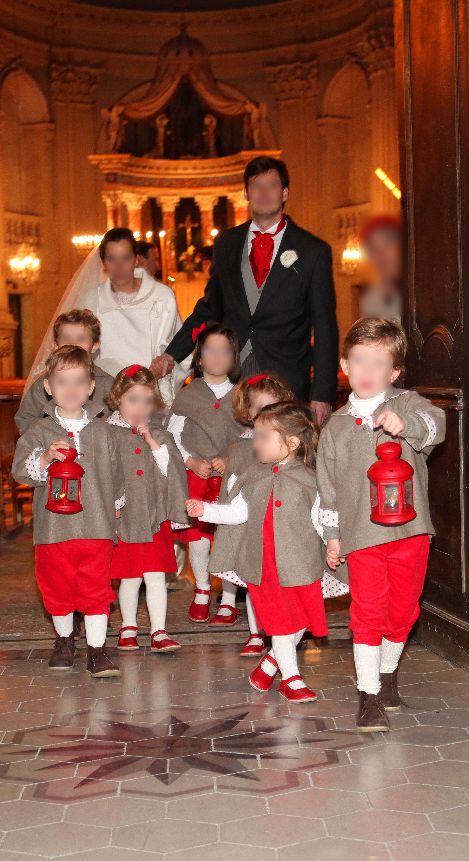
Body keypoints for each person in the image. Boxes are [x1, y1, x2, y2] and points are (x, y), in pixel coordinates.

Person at [316, 317, 446, 731]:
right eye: (359, 361)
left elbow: (436, 426)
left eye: (378, 364)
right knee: (368, 612)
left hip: (411, 533)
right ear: (344, 365)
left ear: (393, 372)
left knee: (404, 610)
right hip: (362, 537)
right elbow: (329, 490)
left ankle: (388, 674)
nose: (367, 372)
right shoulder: (335, 428)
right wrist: (333, 537)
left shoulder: (408, 403)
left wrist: (407, 425)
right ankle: (368, 693)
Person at [152, 155, 339, 427]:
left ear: (285, 192)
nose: (263, 193)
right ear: (245, 192)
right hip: (231, 373)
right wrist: (171, 354)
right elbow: (208, 308)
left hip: (286, 375)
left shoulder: (312, 250)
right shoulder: (227, 243)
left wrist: (322, 394)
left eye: (272, 185)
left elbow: (325, 328)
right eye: (256, 185)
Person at [188, 401, 332, 703]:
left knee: (302, 619)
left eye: (264, 436)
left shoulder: (311, 479)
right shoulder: (254, 475)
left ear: (292, 442)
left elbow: (322, 518)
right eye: (256, 434)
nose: (255, 442)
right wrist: (206, 510)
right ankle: (291, 679)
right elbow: (238, 512)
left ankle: (268, 665)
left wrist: (334, 543)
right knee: (282, 622)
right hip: (264, 564)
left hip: (301, 564)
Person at [12, 346, 124, 678]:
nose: (71, 390)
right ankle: (63, 639)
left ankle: (97, 650)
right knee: (57, 587)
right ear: (48, 386)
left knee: (96, 588)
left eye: (79, 382)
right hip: (53, 530)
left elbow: (116, 475)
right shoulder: (38, 432)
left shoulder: (105, 431)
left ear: (91, 387)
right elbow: (21, 471)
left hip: (96, 526)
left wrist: (117, 507)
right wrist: (44, 459)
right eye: (63, 382)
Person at [25, 227, 189, 408]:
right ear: (103, 262)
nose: (119, 267)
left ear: (136, 259)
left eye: (125, 258)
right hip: (102, 397)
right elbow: (73, 350)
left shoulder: (161, 296)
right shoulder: (91, 299)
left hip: (149, 393)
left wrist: (165, 366)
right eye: (112, 259)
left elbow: (180, 349)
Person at [209, 372, 295, 657]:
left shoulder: (293, 444)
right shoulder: (244, 446)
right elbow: (232, 486)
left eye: (273, 408)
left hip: (281, 527)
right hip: (249, 526)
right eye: (260, 409)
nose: (266, 416)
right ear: (248, 412)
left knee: (281, 586)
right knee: (254, 585)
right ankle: (256, 634)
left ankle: (281, 632)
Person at [106, 364, 189, 654]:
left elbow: (171, 470)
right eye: (133, 400)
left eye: (146, 400)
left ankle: (159, 630)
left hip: (155, 519)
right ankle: (128, 627)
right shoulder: (108, 434)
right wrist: (112, 506)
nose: (140, 407)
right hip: (126, 519)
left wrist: (152, 442)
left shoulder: (160, 436)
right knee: (129, 578)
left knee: (156, 577)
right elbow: (103, 475)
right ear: (118, 399)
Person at [165, 321, 242, 623]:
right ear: (199, 357)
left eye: (225, 351)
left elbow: (252, 436)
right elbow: (172, 436)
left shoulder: (240, 396)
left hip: (231, 478)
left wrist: (230, 457)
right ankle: (202, 588)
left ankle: (230, 597)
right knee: (198, 538)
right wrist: (190, 462)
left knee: (228, 537)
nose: (218, 357)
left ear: (234, 357)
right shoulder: (188, 395)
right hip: (196, 476)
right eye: (211, 350)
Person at [16, 309, 113, 434]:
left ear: (94, 346)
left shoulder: (108, 384)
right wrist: (47, 439)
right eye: (66, 338)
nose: (73, 344)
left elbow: (121, 421)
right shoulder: (44, 384)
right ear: (56, 345)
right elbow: (25, 419)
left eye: (81, 338)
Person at [358, 215, 403, 322]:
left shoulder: (419, 289)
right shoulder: (370, 300)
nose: (382, 255)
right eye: (375, 249)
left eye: (387, 245)